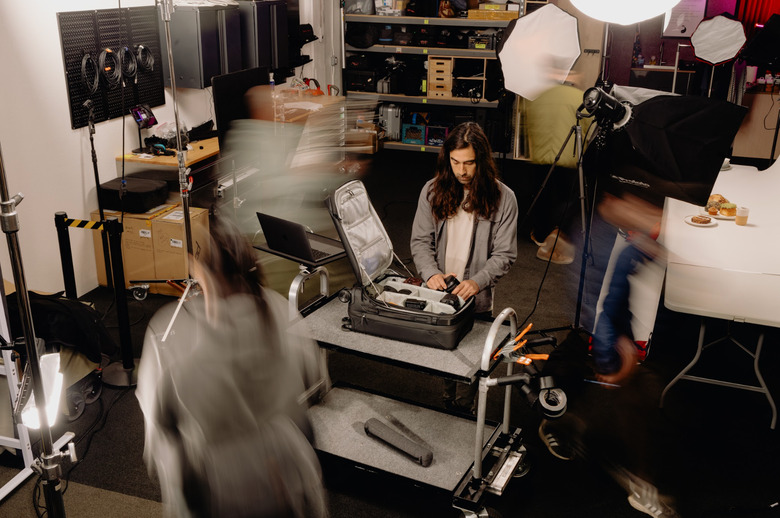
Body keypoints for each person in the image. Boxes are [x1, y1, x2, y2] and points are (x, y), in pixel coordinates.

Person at [136, 217, 328, 518]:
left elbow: (163, 423)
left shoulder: (173, 336)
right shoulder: (280, 310)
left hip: (223, 491)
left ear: (202, 273)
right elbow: (313, 384)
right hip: (289, 477)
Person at [410, 121, 518, 412]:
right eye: (455, 162)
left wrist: (478, 281)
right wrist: (431, 273)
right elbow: (420, 242)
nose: (461, 171)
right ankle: (448, 404)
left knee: (471, 366)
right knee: (445, 359)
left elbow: (505, 254)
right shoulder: (431, 191)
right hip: (440, 294)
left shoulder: (504, 198)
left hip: (477, 298)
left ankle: (465, 410)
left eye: (469, 163)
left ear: (481, 161)